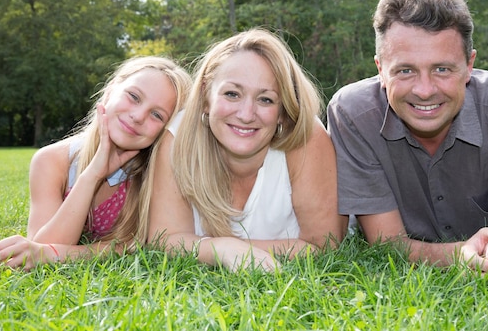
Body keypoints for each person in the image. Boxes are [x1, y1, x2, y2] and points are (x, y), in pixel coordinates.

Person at [327, 0, 488, 273]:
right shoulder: (353, 113)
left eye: (442, 69)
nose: (425, 90)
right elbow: (387, 243)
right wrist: (461, 255)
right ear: (380, 69)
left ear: (469, 65)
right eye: (405, 70)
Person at [147, 28, 345, 271]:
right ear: (206, 96)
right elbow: (164, 239)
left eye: (265, 99)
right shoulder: (179, 136)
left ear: (283, 111)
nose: (246, 114)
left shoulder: (305, 136)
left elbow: (324, 245)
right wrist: (224, 249)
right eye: (232, 94)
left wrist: (217, 247)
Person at [0, 56, 192, 269]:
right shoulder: (51, 160)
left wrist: (56, 254)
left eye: (157, 115)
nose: (138, 116)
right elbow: (40, 246)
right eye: (133, 97)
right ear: (111, 89)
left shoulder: (155, 173)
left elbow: (133, 246)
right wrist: (93, 174)